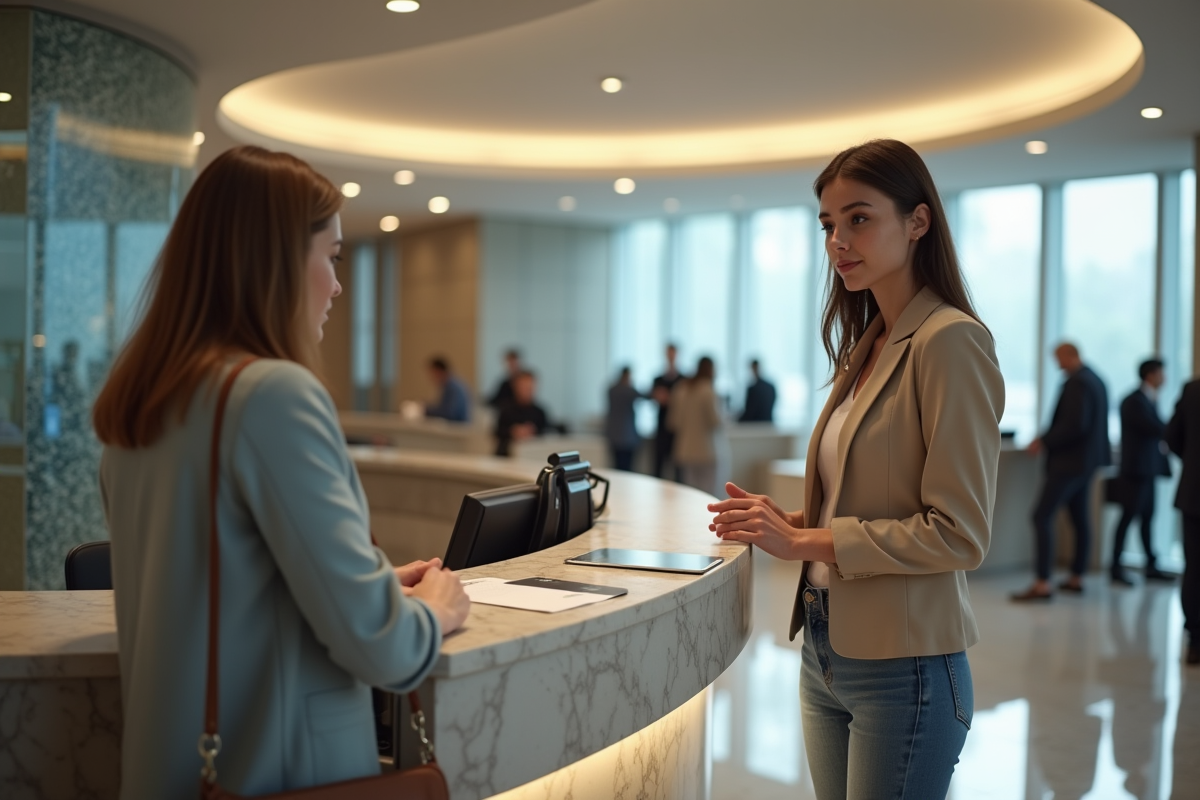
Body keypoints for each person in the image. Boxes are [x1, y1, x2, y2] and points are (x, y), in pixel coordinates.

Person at [91, 146, 470, 799]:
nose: (338, 284)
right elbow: (383, 651)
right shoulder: (271, 396)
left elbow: (231, 589)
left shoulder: (145, 407)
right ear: (273, 261)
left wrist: (371, 584)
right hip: (276, 773)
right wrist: (432, 612)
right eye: (332, 255)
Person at [707, 139, 1004, 799]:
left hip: (908, 669)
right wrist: (785, 521)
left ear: (918, 222)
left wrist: (804, 541)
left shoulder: (950, 341)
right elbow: (872, 500)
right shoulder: (866, 345)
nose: (838, 240)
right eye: (828, 225)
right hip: (825, 646)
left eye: (859, 218)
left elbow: (958, 533)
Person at [1012, 343, 1110, 600]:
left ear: (1071, 354)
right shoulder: (1096, 380)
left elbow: (1074, 424)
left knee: (1041, 516)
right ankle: (1077, 577)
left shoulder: (1077, 383)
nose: (1057, 364)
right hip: (1087, 463)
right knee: (1080, 519)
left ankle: (1043, 582)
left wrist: (1044, 440)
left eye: (1059, 358)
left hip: (1068, 463)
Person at [1110, 358, 1174, 585]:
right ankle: (1115, 567)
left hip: (1147, 470)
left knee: (1147, 518)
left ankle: (1151, 565)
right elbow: (1155, 428)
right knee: (1128, 517)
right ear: (1151, 375)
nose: (1165, 378)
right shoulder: (1133, 401)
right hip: (1135, 471)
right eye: (1161, 373)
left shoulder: (1149, 399)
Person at [1166, 376, 1200, 665]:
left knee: (1195, 567)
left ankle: (1195, 641)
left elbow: (1172, 437)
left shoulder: (1192, 388)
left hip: (1194, 493)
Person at [668, 356, 722, 494]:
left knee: (690, 492)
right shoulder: (707, 390)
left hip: (685, 449)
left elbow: (674, 422)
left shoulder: (681, 389)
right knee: (709, 492)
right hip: (706, 450)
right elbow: (715, 422)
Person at [494, 369, 549, 456]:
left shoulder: (540, 412)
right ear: (516, 387)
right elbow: (497, 431)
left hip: (534, 454)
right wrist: (513, 431)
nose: (528, 391)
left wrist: (533, 431)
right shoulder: (506, 410)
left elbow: (547, 432)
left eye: (530, 388)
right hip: (506, 456)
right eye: (524, 387)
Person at [651, 343, 682, 480]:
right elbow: (653, 399)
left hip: (677, 429)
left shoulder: (683, 379)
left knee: (679, 469)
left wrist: (671, 398)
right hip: (661, 427)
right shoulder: (658, 379)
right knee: (658, 466)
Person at [605, 366, 643, 471]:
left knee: (617, 468)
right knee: (627, 470)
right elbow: (645, 395)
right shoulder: (628, 391)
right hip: (627, 438)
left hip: (614, 436)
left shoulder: (611, 390)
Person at [424, 356, 471, 422]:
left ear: (439, 371)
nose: (432, 378)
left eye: (433, 374)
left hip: (458, 429)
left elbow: (449, 413)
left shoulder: (453, 388)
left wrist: (425, 410)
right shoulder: (449, 386)